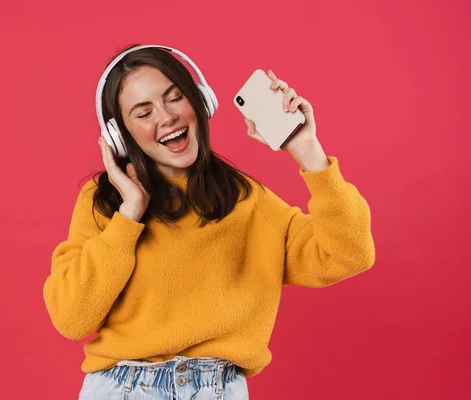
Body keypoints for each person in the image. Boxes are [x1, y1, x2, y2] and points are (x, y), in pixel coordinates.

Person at [43, 44, 375, 399]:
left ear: (200, 101)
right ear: (119, 135)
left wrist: (307, 150)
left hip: (218, 389)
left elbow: (351, 253)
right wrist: (130, 214)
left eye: (175, 98)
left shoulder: (247, 200)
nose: (167, 117)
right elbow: (72, 317)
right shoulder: (105, 201)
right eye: (143, 113)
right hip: (124, 388)